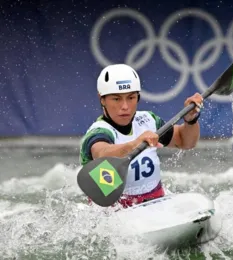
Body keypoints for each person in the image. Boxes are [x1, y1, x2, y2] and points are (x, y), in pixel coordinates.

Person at [80, 64, 203, 208]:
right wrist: (135, 143)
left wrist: (190, 120)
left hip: (156, 203)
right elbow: (102, 154)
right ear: (102, 99)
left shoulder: (147, 120)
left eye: (131, 97)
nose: (125, 106)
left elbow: (185, 142)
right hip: (115, 215)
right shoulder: (99, 131)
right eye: (116, 99)